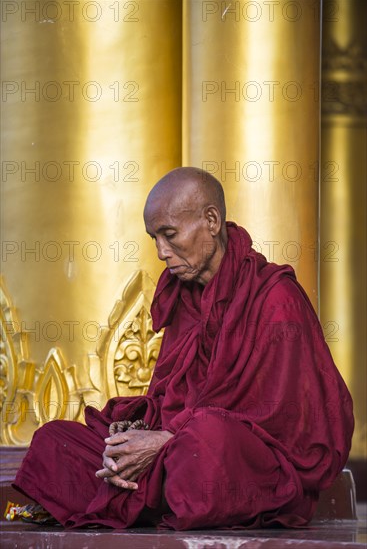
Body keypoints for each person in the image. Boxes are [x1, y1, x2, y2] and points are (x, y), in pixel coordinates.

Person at [12, 167, 353, 530]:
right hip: (175, 450)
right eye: (154, 238)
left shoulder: (275, 299)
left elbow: (281, 422)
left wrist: (168, 439)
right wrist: (133, 435)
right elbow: (172, 396)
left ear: (210, 220)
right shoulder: (184, 295)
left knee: (206, 444)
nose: (161, 252)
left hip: (235, 460)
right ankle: (155, 494)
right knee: (55, 442)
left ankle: (150, 495)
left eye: (170, 235)